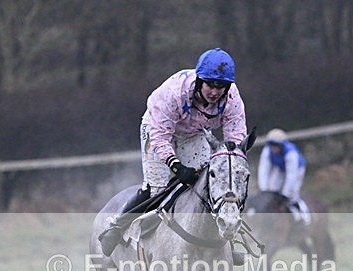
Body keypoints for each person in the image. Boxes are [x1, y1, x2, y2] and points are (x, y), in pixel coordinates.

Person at [98, 48, 248, 256]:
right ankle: (116, 226)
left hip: (194, 134)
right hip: (157, 129)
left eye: (221, 87)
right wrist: (176, 166)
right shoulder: (173, 93)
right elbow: (160, 137)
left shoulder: (232, 99)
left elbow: (235, 138)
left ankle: (228, 243)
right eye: (210, 85)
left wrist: (230, 163)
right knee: (157, 188)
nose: (215, 92)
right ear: (199, 81)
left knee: (209, 183)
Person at [257, 128, 310, 225]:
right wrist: (264, 189)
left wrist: (285, 194)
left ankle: (303, 214)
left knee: (292, 195)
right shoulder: (267, 151)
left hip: (297, 170)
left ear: (281, 145)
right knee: (272, 189)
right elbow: (263, 170)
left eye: (276, 145)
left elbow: (291, 176)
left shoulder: (291, 154)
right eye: (271, 144)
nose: (274, 148)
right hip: (280, 169)